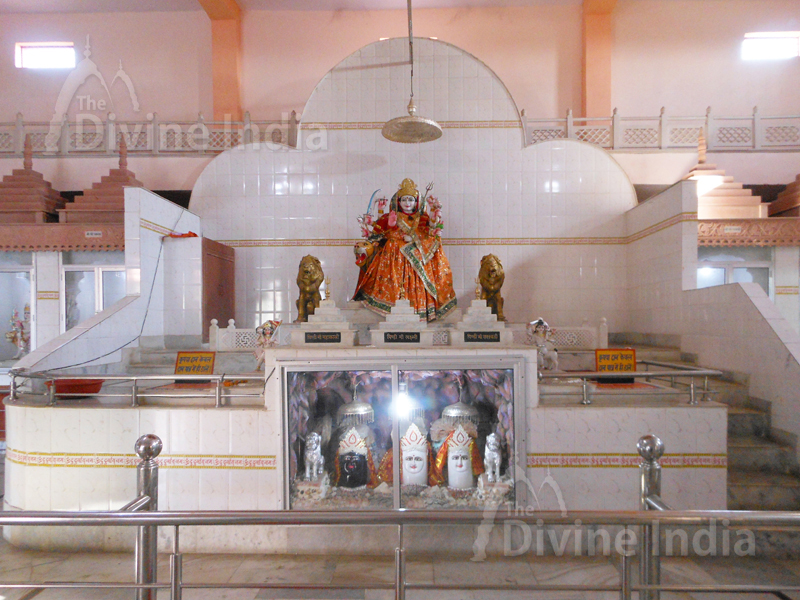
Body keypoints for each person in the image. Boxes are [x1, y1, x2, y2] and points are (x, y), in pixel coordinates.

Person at [352, 178, 456, 321]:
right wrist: (389, 225)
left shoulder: (422, 217)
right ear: (398, 202)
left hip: (415, 260)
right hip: (391, 260)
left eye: (411, 200)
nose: (407, 203)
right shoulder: (390, 216)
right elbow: (377, 235)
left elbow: (430, 233)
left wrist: (434, 214)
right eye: (404, 200)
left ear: (417, 202)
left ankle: (418, 310)